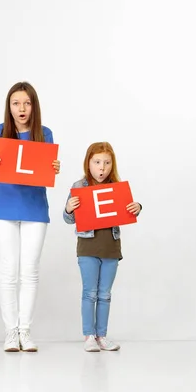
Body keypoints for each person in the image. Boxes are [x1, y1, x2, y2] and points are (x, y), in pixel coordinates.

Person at [0, 82, 60, 352]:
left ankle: (25, 330)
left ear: (33, 105)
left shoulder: (44, 134)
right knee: (8, 271)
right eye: (16, 103)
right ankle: (10, 332)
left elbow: (45, 175)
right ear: (9, 106)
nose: (21, 108)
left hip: (35, 210)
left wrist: (53, 168)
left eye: (26, 103)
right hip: (3, 209)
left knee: (29, 271)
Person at [63, 141, 142, 352]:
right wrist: (69, 208)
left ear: (112, 165)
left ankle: (102, 336)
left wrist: (138, 207)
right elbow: (68, 219)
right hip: (88, 248)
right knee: (90, 292)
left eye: (107, 163)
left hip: (111, 248)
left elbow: (128, 211)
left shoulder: (117, 187)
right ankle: (89, 335)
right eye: (97, 162)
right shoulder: (79, 187)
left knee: (105, 294)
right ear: (88, 163)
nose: (102, 168)